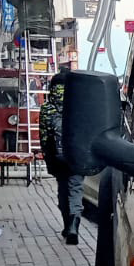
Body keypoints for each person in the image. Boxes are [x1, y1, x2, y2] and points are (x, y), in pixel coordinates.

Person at [40, 67, 83, 245]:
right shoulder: (79, 107)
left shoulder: (47, 108)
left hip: (57, 157)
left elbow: (43, 136)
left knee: (62, 189)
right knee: (75, 189)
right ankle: (74, 225)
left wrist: (47, 157)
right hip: (76, 156)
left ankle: (67, 226)